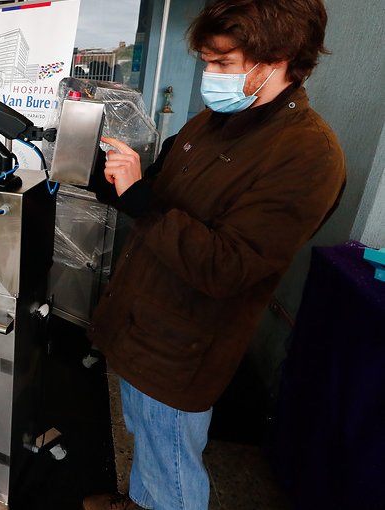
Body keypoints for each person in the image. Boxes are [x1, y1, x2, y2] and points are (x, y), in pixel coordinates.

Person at [81, 1, 346, 509]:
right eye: (206, 61)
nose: (208, 75)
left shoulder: (308, 154)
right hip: (139, 321)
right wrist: (111, 178)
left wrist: (139, 197)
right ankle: (137, 502)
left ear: (278, 60)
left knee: (173, 472)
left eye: (223, 64)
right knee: (146, 444)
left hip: (182, 350)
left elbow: (229, 267)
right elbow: (157, 190)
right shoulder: (212, 123)